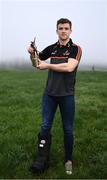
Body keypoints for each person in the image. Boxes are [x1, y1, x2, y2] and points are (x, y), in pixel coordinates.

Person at [28, 18, 82, 175]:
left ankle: (68, 160)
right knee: (45, 126)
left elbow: (69, 67)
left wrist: (48, 65)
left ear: (70, 31)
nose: (63, 31)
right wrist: (32, 53)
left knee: (68, 129)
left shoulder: (75, 49)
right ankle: (42, 159)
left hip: (67, 96)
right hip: (49, 95)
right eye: (60, 28)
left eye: (66, 28)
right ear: (56, 30)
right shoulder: (51, 48)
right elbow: (37, 64)